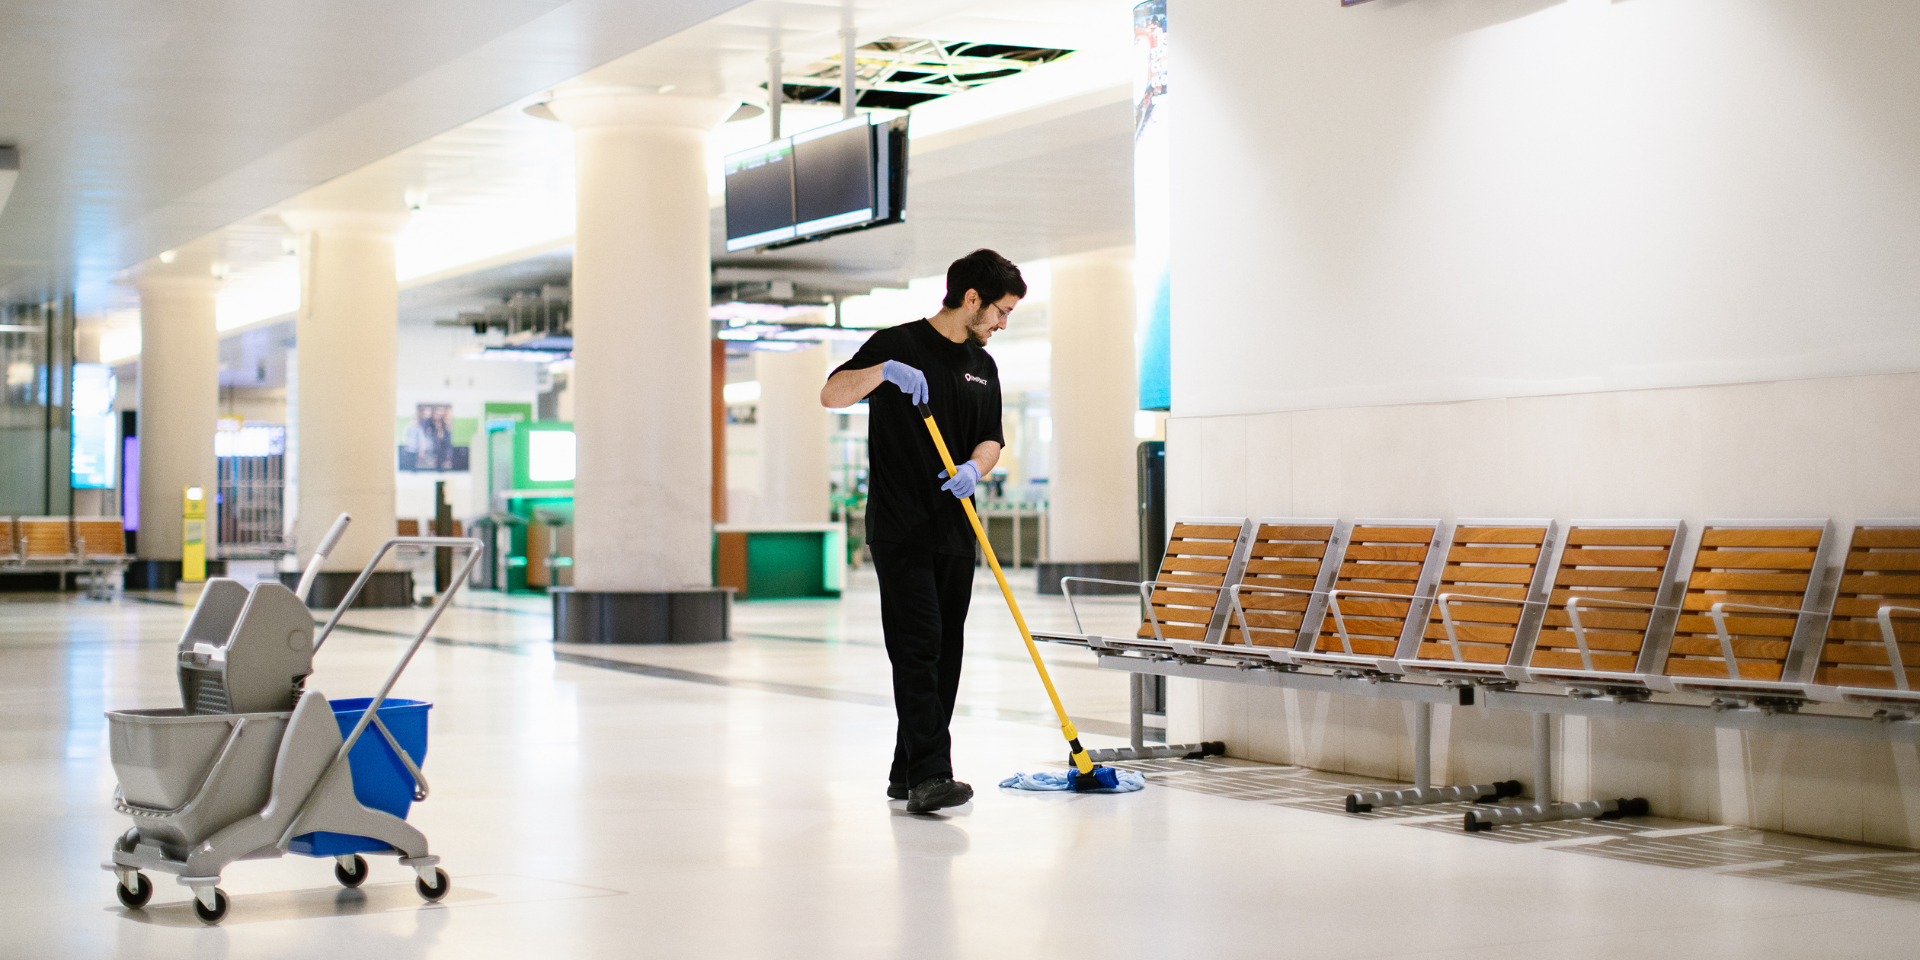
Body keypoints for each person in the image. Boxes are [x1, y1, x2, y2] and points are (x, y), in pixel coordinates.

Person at [820, 249, 1025, 813]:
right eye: (1000, 311)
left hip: (958, 527)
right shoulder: (899, 343)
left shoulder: (984, 365)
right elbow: (832, 393)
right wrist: (882, 372)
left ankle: (904, 768)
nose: (1003, 324)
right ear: (972, 298)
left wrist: (973, 470)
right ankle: (933, 774)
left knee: (947, 653)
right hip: (902, 525)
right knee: (917, 648)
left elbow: (991, 438)